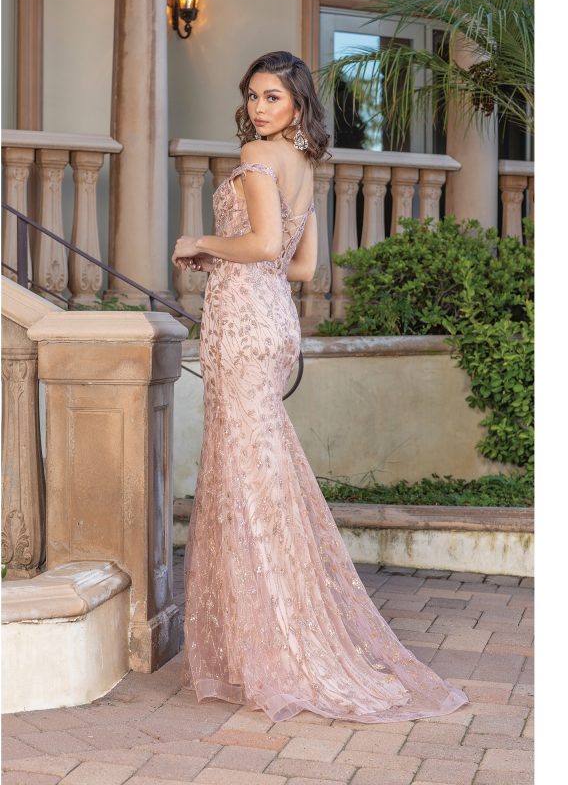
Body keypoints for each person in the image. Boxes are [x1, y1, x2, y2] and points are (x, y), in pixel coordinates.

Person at [171, 50, 469, 724]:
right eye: (253, 95)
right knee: (261, 473)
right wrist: (229, 255)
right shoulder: (305, 164)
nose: (258, 108)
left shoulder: (257, 154)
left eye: (273, 97)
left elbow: (260, 245)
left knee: (246, 478)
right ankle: (279, 634)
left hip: (244, 322)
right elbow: (302, 266)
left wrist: (200, 242)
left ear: (298, 103)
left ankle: (278, 644)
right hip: (274, 318)